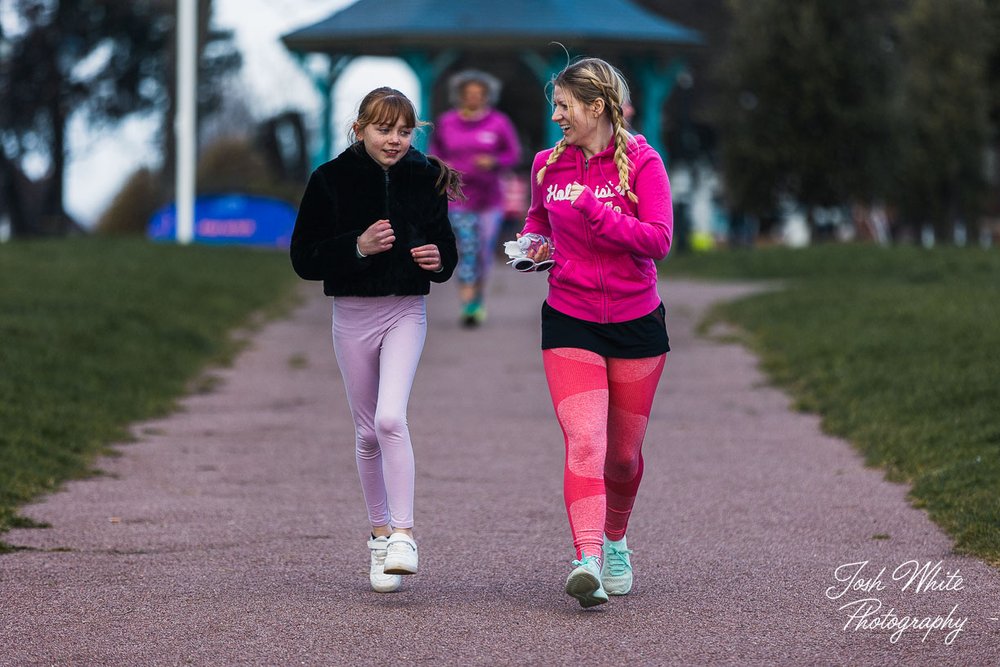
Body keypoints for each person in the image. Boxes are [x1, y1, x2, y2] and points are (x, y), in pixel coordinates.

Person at [289, 87, 461, 593]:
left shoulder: (425, 177)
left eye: (404, 131)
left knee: (390, 418)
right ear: (360, 127)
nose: (395, 140)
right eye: (384, 130)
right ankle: (380, 536)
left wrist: (439, 261)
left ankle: (405, 535)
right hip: (352, 315)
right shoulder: (329, 180)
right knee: (367, 434)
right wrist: (357, 248)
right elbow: (304, 258)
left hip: (406, 310)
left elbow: (446, 251)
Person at [517, 58, 673, 607]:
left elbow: (658, 240)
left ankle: (614, 541)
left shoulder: (644, 162)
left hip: (636, 323)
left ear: (597, 107)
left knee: (623, 458)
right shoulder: (546, 165)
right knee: (585, 442)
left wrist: (595, 213)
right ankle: (585, 560)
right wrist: (534, 246)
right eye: (555, 106)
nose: (556, 116)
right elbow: (538, 220)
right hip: (570, 318)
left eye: (564, 106)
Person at [430, 69, 521, 327]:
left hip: (490, 200)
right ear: (458, 95)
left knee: (483, 251)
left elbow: (513, 154)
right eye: (468, 93)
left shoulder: (499, 123)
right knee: (467, 247)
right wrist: (443, 166)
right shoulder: (447, 122)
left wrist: (494, 161)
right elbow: (433, 153)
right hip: (458, 198)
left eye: (479, 94)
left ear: (487, 96)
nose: (473, 98)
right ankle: (467, 303)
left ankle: (478, 298)